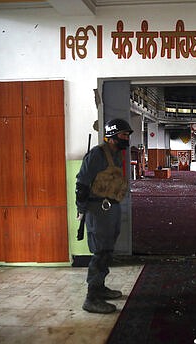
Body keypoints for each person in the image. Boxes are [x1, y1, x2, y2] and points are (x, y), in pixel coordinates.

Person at [75, 118, 133, 314]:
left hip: (110, 209)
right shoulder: (97, 155)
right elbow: (82, 184)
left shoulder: (115, 155)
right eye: (124, 135)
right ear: (112, 136)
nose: (127, 138)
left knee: (107, 251)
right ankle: (91, 297)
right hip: (98, 211)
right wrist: (81, 208)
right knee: (100, 253)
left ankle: (100, 288)